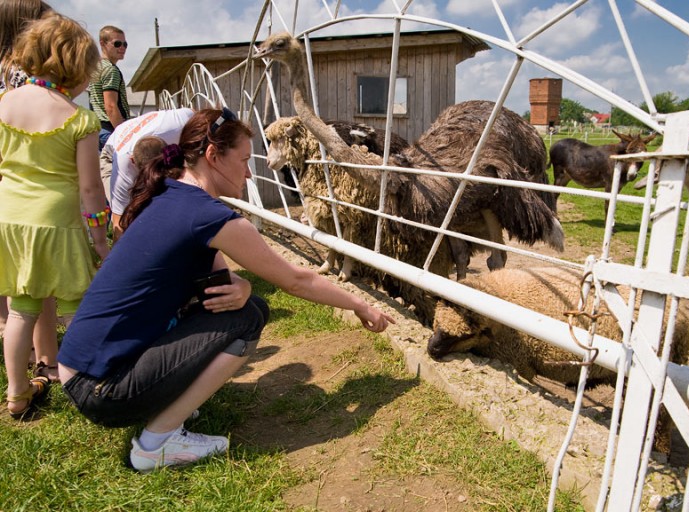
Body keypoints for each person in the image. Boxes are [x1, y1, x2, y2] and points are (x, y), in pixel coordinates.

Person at [57, 108, 395, 472]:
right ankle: (155, 446)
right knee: (247, 319)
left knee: (247, 306)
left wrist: (246, 284)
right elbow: (297, 280)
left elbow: (221, 282)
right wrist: (360, 305)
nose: (250, 172)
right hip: (102, 389)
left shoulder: (170, 195)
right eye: (245, 160)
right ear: (213, 156)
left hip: (83, 373)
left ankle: (168, 405)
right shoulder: (207, 215)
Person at [0, 13, 109, 419]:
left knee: (20, 309)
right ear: (74, 67)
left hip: (9, 218)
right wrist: (100, 240)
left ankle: (16, 394)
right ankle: (92, 380)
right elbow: (90, 188)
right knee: (78, 306)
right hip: (57, 223)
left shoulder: (4, 104)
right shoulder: (79, 119)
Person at [0, 0, 61, 381]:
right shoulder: (26, 74)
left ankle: (12, 349)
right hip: (27, 186)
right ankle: (47, 360)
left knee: (7, 280)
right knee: (39, 286)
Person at [99, 107, 194, 238]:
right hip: (111, 155)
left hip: (138, 135)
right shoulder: (122, 170)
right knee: (131, 214)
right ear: (133, 161)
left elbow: (203, 115)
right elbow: (119, 224)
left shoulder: (179, 122)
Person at [87, 25, 130, 150]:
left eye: (125, 44)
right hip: (110, 131)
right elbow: (110, 107)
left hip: (98, 130)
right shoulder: (110, 70)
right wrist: (124, 135)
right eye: (117, 44)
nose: (122, 48)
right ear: (103, 43)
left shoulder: (96, 67)